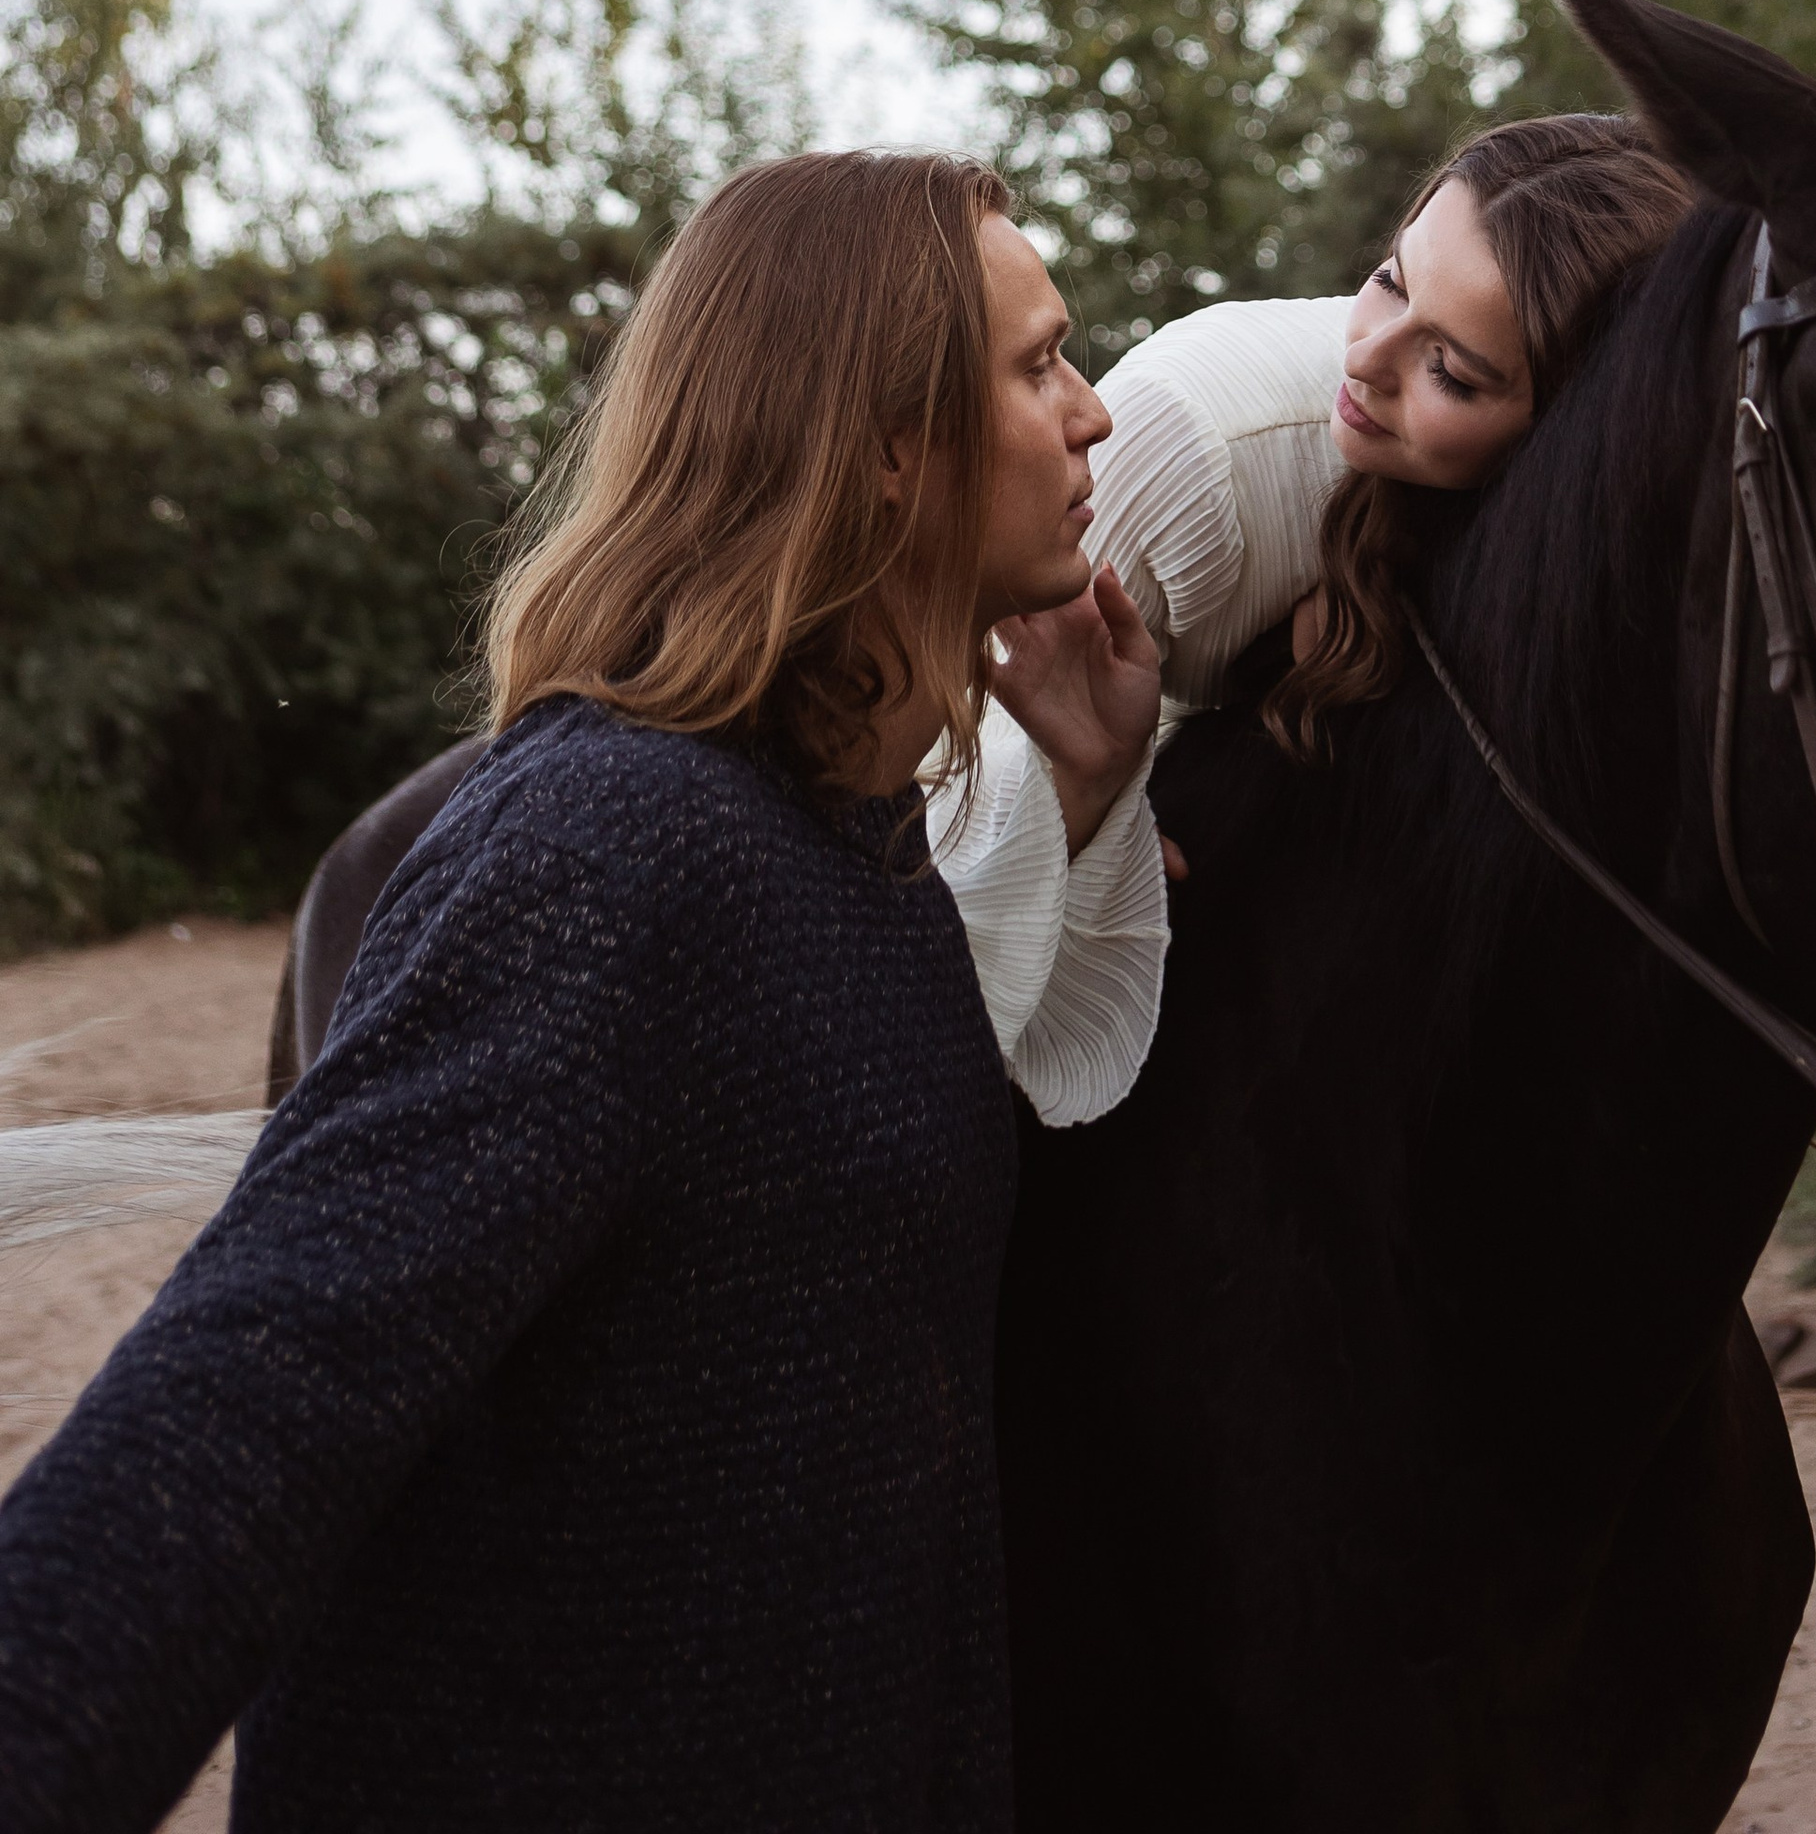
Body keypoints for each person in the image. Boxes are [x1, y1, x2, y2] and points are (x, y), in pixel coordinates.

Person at [0, 149, 1153, 1834]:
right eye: (1042, 362)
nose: (1098, 414)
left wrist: (1091, 793)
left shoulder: (862, 849)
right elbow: (252, 1392)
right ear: (890, 451)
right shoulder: (608, 854)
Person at [1072, 114, 1694, 760]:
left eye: (1449, 372)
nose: (1365, 359)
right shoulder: (1180, 440)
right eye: (1390, 281)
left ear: (1566, 436)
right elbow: (983, 822)